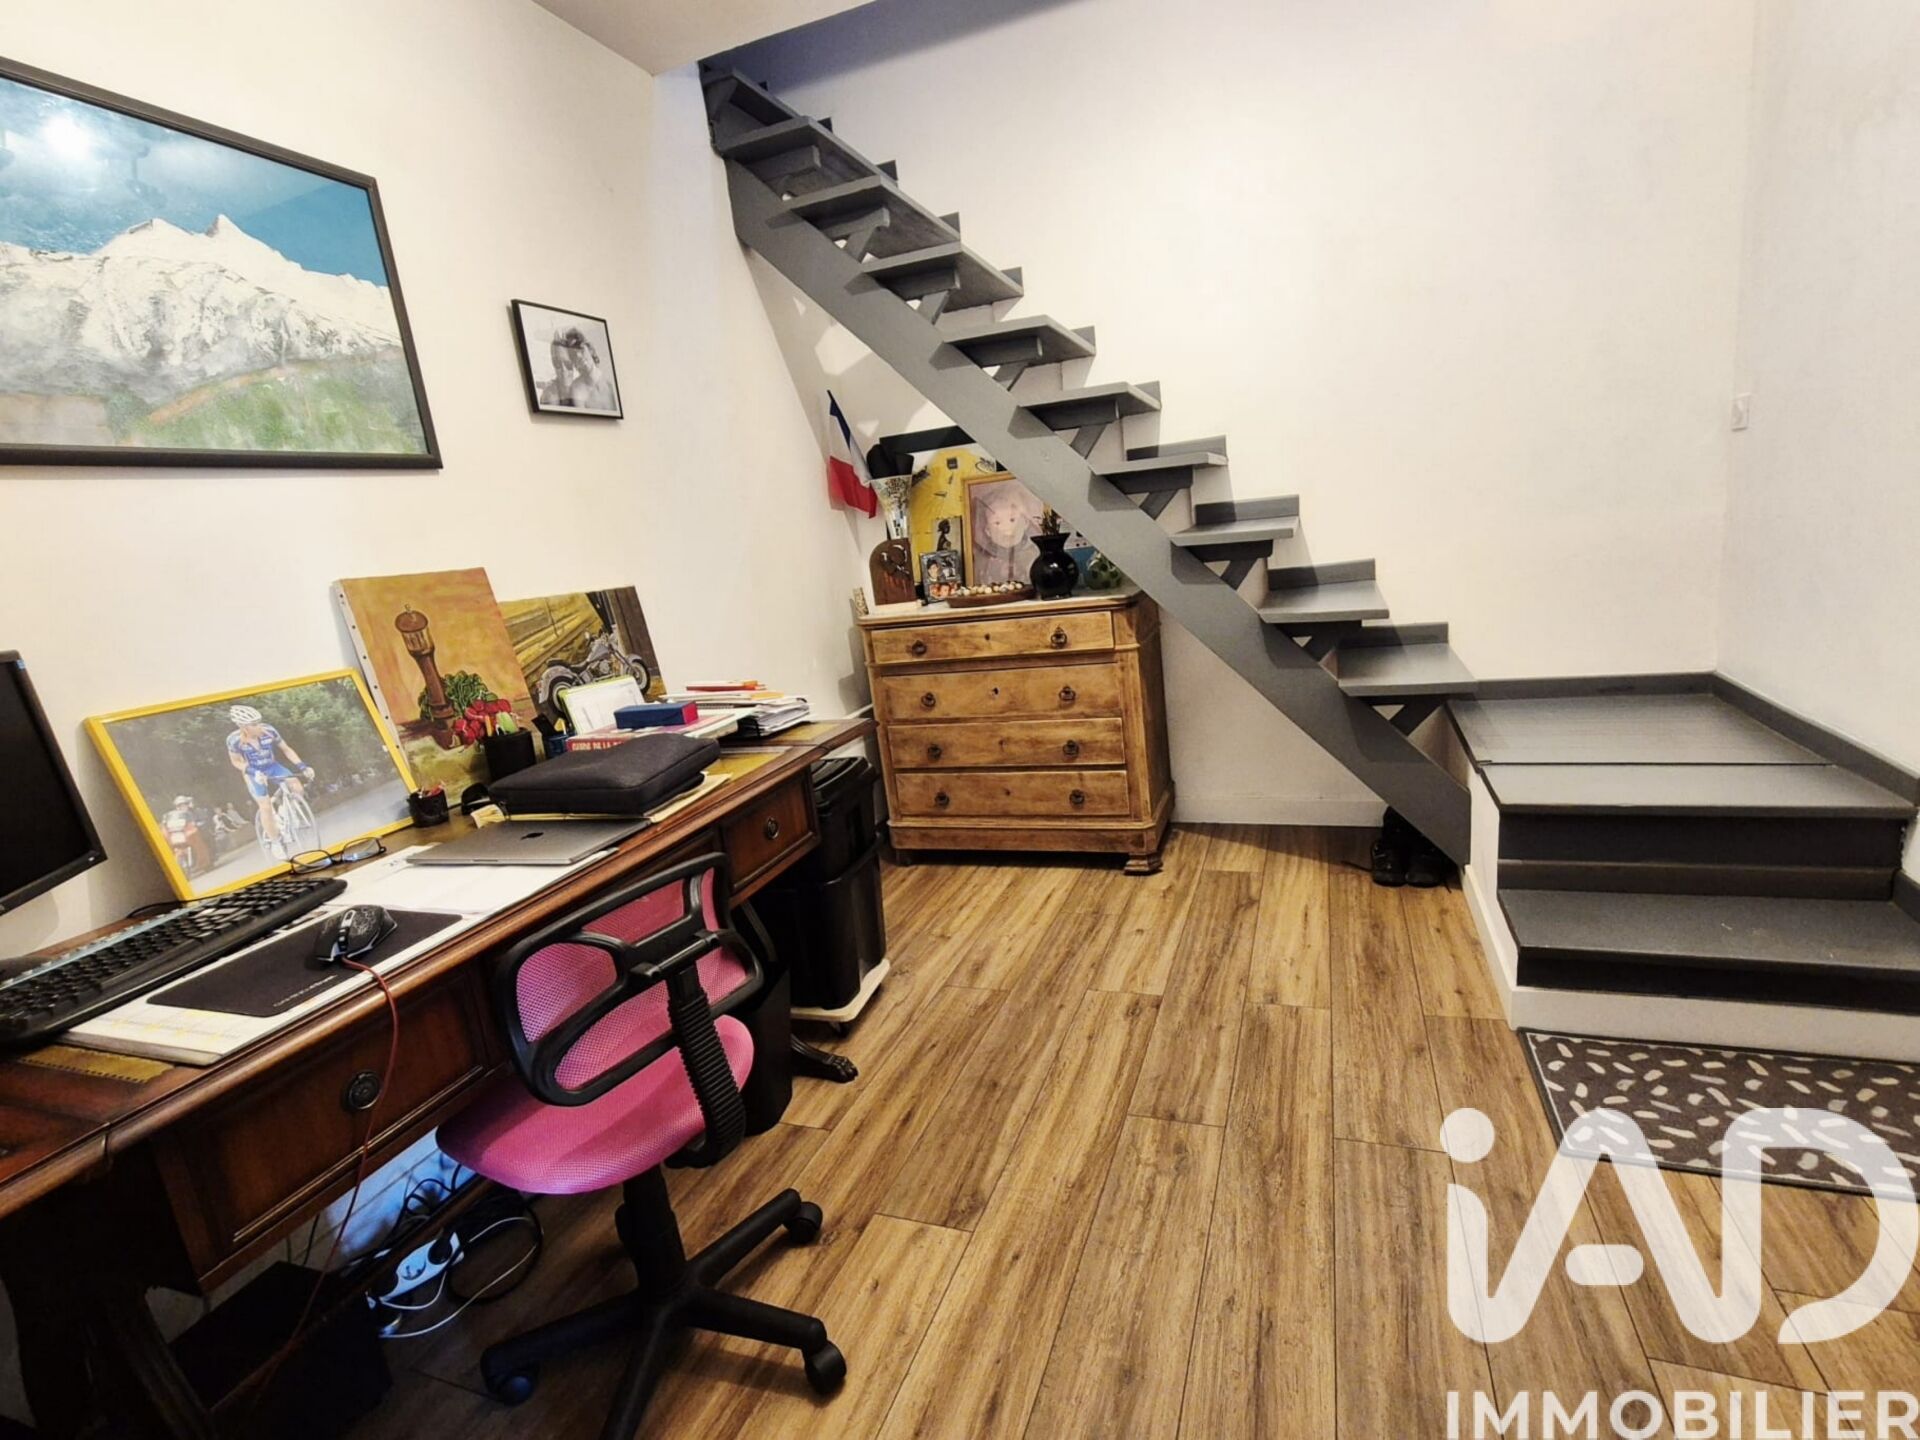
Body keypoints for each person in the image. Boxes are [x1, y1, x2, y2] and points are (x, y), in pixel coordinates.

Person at [225, 705, 314, 860]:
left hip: (272, 766)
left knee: (296, 785)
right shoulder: (234, 740)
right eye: (254, 724)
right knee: (265, 806)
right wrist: (253, 772)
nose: (259, 726)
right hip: (253, 772)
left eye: (259, 722)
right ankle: (275, 841)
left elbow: (286, 749)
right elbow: (236, 762)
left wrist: (303, 766)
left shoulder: (269, 731)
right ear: (244, 727)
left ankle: (288, 811)